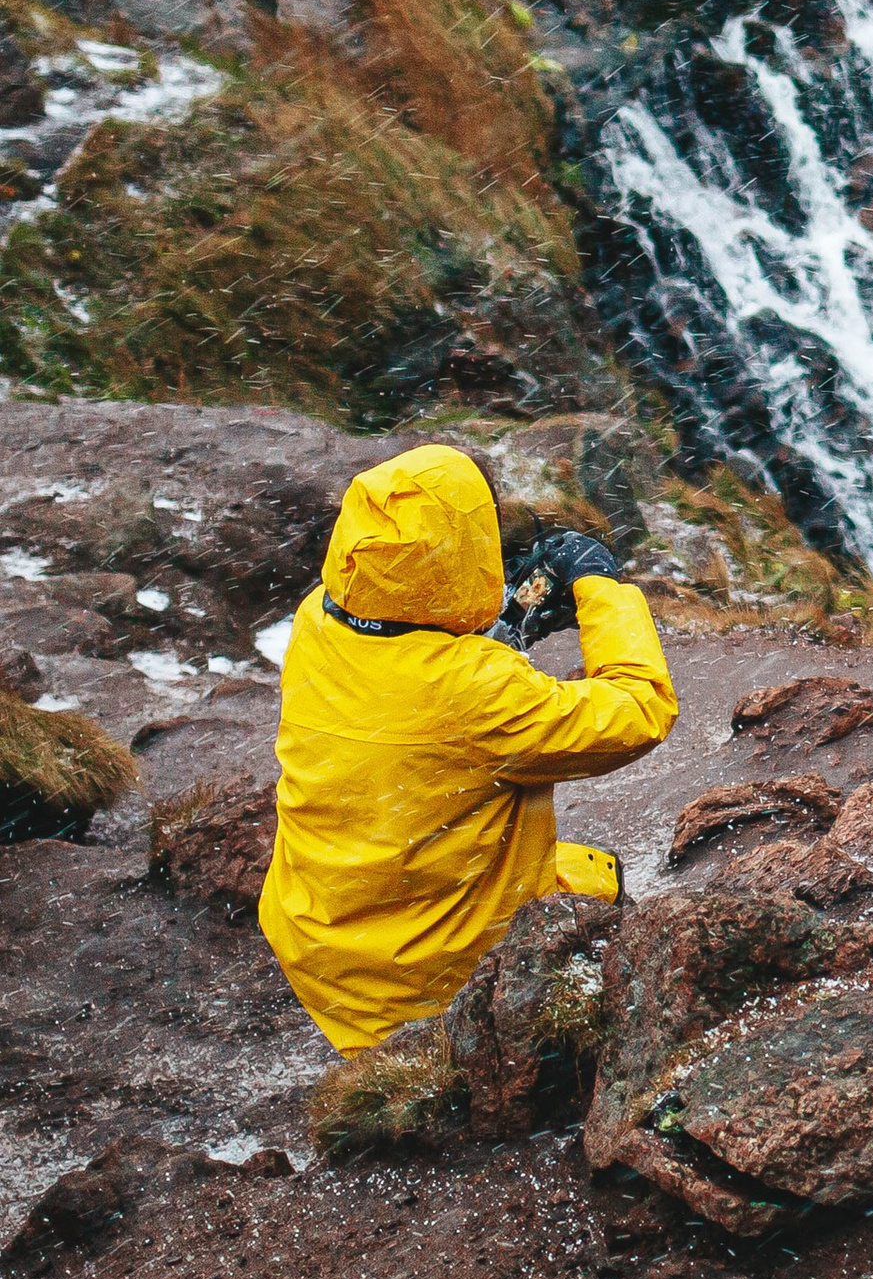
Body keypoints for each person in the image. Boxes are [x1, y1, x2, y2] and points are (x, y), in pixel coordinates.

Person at [259, 443, 679, 1053]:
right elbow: (641, 709)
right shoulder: (479, 693)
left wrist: (505, 626)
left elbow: (409, 687)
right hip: (429, 983)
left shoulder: (318, 623)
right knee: (601, 905)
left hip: (325, 944)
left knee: (581, 872)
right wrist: (601, 587)